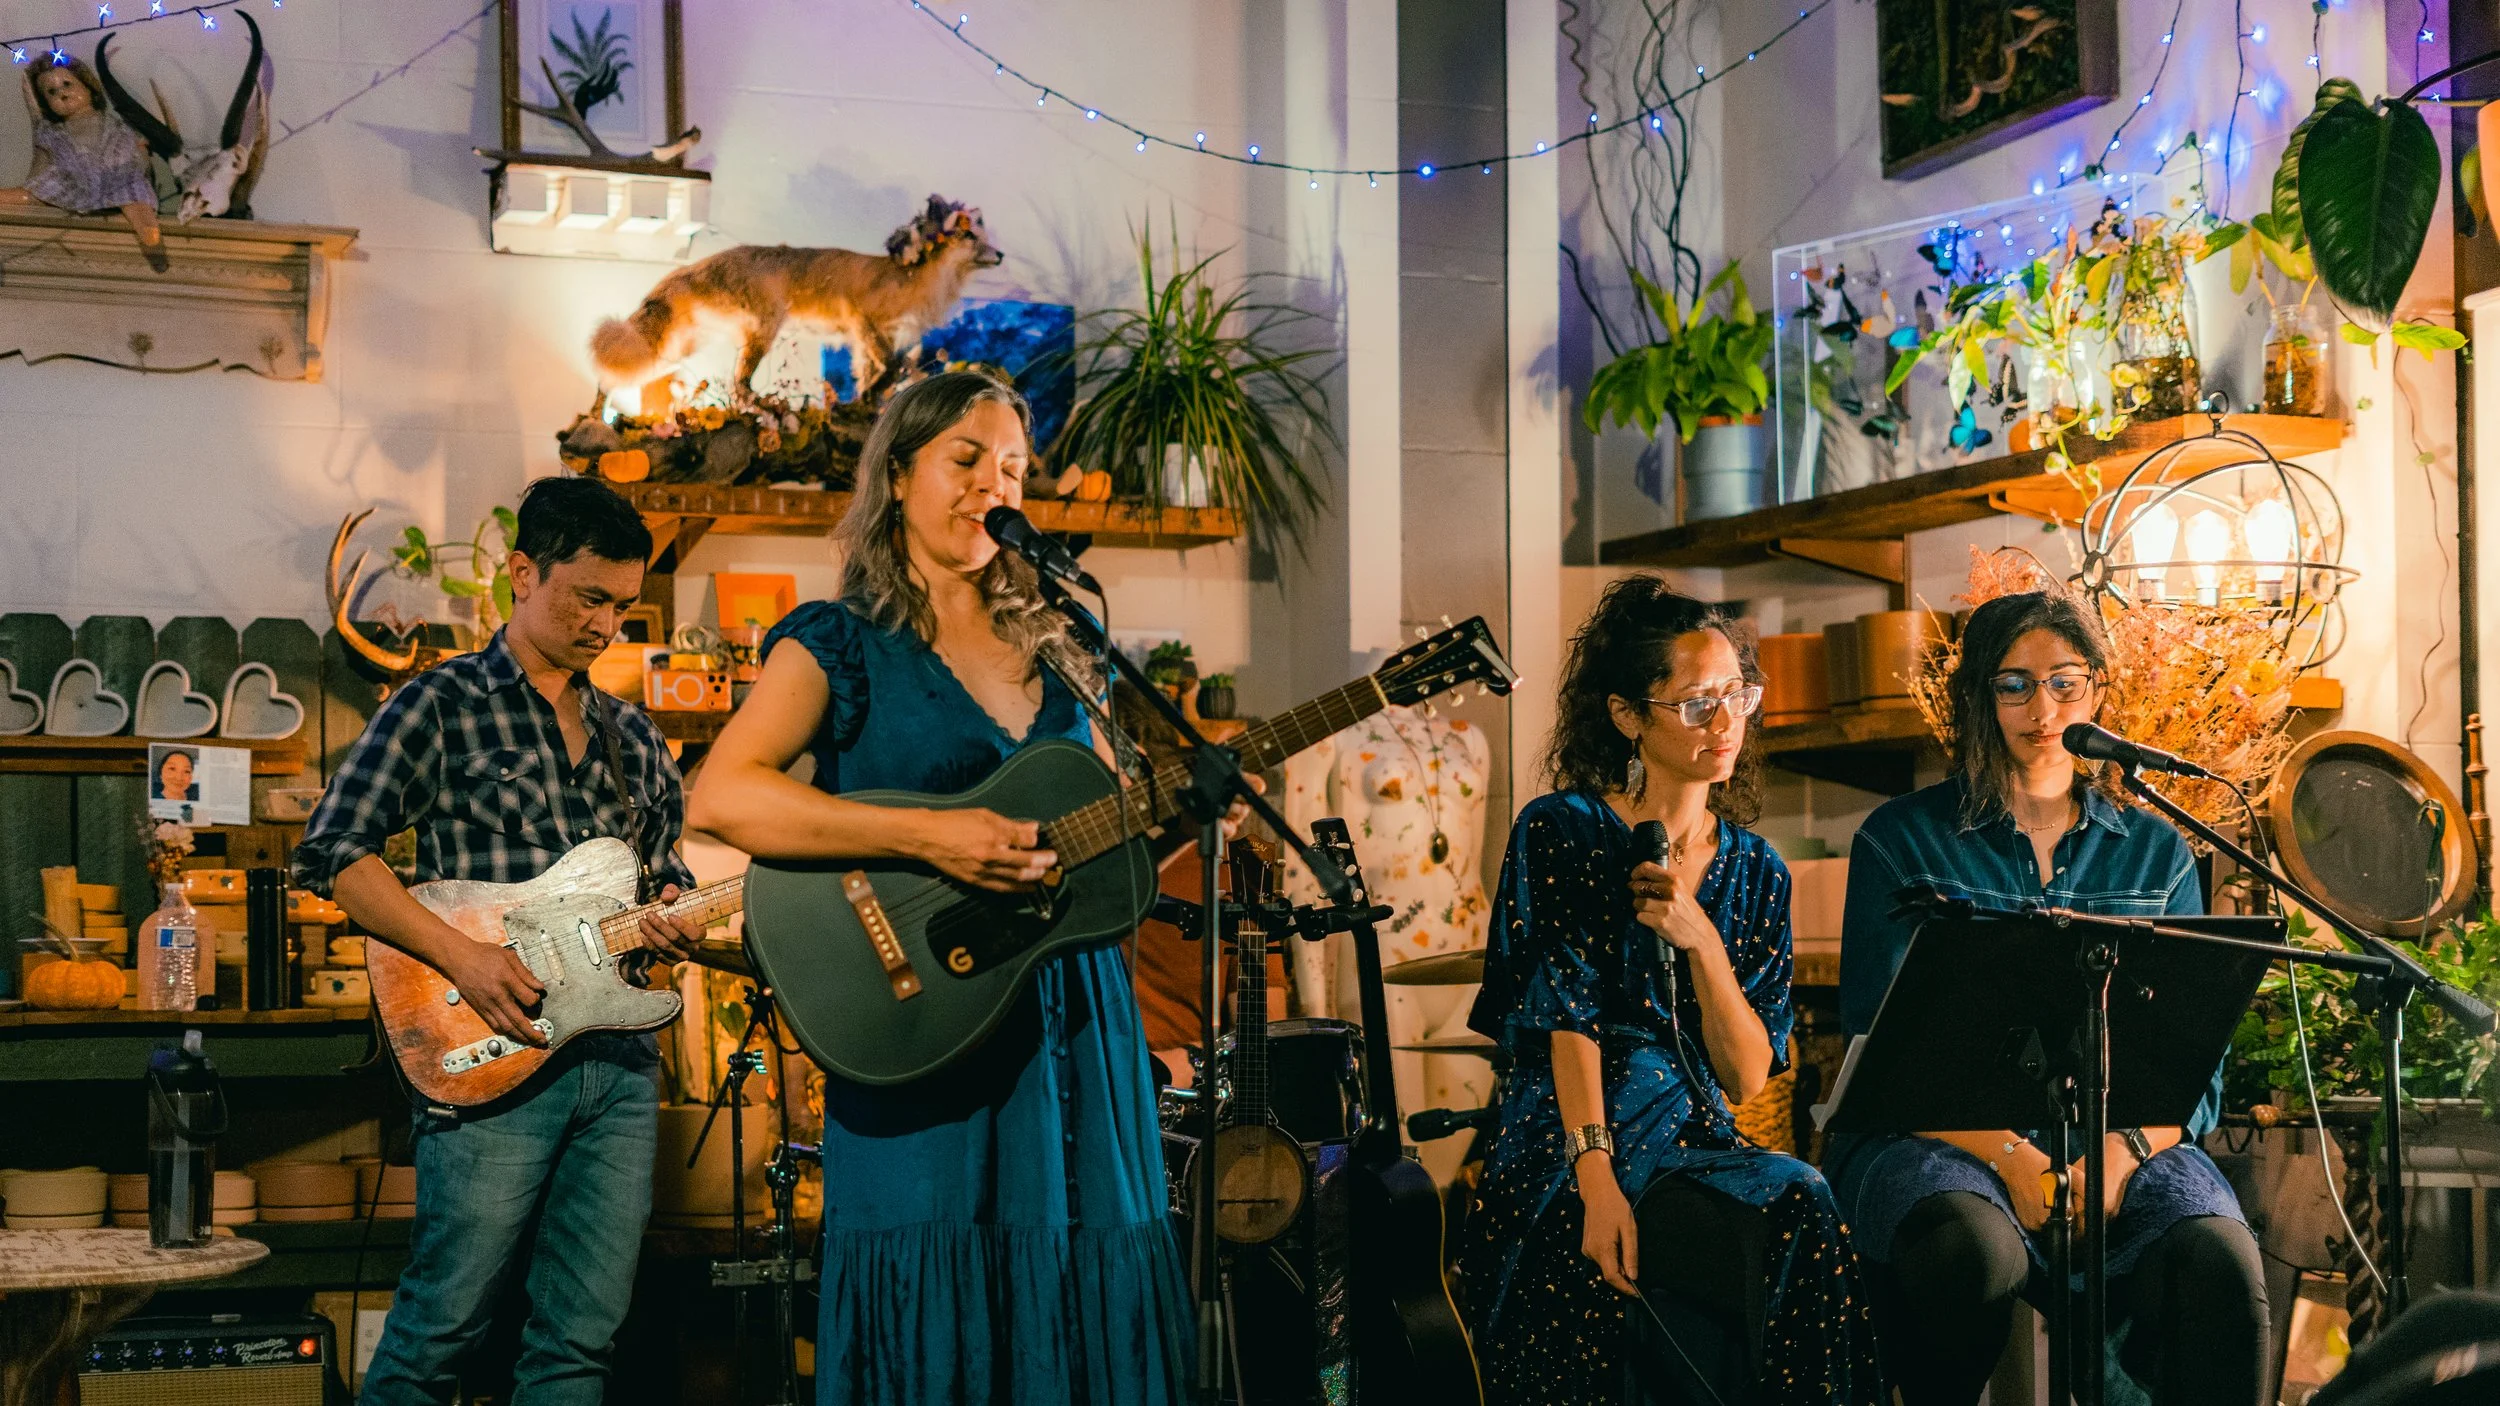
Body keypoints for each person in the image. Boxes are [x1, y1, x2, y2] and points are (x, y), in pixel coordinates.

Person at [688, 369, 1233, 1406]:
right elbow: (724, 796)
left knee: (1081, 1274)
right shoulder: (840, 641)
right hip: (922, 1020)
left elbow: (1089, 850)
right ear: (898, 476)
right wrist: (934, 835)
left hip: (1072, 1023)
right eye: (967, 459)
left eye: (1014, 469)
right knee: (936, 1278)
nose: (994, 484)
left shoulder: (1062, 647)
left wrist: (1180, 811)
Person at [292, 475, 707, 1406]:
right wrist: (464, 958)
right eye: (588, 598)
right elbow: (333, 854)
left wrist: (678, 911)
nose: (605, 625)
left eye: (622, 606)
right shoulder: (440, 703)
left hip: (618, 1066)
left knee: (581, 1345)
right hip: (490, 1051)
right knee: (438, 1333)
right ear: (523, 574)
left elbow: (662, 874)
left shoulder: (636, 738)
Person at [1831, 590, 2268, 1404]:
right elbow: (1881, 1050)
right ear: (1979, 695)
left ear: (2097, 689)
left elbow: (2191, 1070)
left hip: (2119, 1143)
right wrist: (2014, 1158)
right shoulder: (1900, 839)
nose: (2043, 709)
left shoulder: (2157, 852)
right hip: (1941, 1140)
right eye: (2015, 685)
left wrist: (2116, 1157)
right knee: (1967, 1251)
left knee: (2219, 1261)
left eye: (2066, 682)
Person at [1459, 576, 1883, 1405]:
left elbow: (1748, 1077)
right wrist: (1597, 1183)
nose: (1725, 724)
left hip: (1694, 1133)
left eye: (1736, 696)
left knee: (1804, 1197)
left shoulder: (1758, 870)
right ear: (1628, 716)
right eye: (1696, 704)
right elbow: (1567, 1024)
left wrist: (1702, 944)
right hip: (1569, 1136)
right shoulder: (1563, 828)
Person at [2, 57, 168, 271]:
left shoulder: (115, 125)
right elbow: (39, 172)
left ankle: (149, 233)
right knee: (27, 195)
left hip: (115, 180)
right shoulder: (52, 132)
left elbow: (137, 153)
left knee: (136, 203)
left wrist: (140, 158)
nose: (62, 93)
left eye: (67, 84)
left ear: (89, 87)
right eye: (51, 92)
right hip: (69, 182)